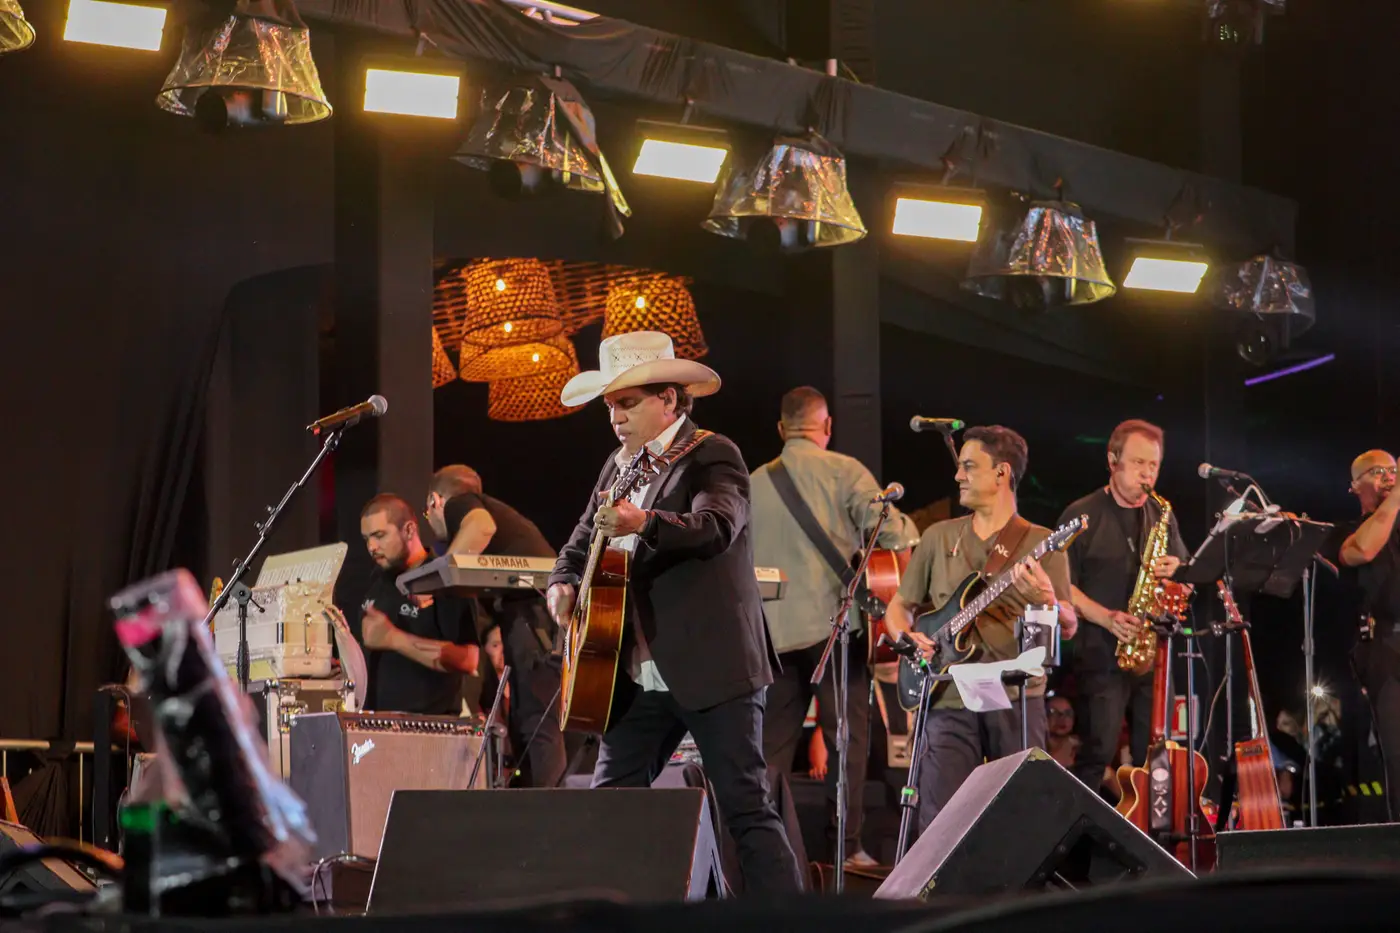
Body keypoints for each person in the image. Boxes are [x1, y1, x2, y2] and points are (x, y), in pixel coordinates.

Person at [546, 331, 802, 894]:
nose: (615, 417)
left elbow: (717, 527)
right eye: (610, 405)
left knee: (744, 807)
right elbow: (576, 545)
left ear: (669, 399)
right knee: (610, 805)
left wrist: (643, 523)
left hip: (714, 668)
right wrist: (560, 585)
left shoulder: (713, 453)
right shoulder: (617, 467)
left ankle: (790, 923)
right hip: (637, 672)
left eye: (627, 402)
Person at [750, 385, 918, 868]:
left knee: (769, 749)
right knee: (846, 742)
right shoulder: (846, 471)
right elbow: (895, 534)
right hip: (835, 631)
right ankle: (845, 849)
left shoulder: (752, 482)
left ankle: (761, 852)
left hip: (771, 636)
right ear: (826, 426)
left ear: (781, 429)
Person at [882, 425, 1076, 832]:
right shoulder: (938, 537)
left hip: (1016, 697)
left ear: (1001, 473)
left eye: (969, 467)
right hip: (947, 695)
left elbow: (1069, 624)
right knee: (941, 824)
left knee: (1024, 821)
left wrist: (1046, 598)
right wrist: (906, 637)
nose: (958, 476)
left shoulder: (1042, 542)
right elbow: (899, 606)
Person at [1056, 420, 1187, 798]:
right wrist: (1107, 618)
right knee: (1097, 752)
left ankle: (1151, 825)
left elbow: (1186, 577)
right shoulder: (1080, 515)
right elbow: (1059, 585)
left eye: (1154, 465)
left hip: (1152, 652)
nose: (1148, 474)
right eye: (1139, 463)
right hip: (1101, 651)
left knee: (1157, 755)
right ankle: (1080, 826)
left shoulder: (1161, 514)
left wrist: (1177, 570)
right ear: (1113, 461)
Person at [425, 465, 566, 788]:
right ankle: (537, 800)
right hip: (534, 611)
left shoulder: (460, 502)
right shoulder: (504, 518)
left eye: (426, 513)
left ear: (435, 501)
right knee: (527, 718)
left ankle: (546, 808)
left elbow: (481, 526)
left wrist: (447, 572)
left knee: (535, 719)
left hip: (536, 614)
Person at [355, 494, 478, 714]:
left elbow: (469, 660)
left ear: (409, 530)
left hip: (430, 726)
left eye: (379, 536)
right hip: (374, 723)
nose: (371, 547)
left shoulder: (446, 580)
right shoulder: (378, 580)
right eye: (366, 539)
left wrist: (394, 639)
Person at [1336, 449, 1400, 819]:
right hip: (1385, 650)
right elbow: (1362, 550)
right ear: (1355, 485)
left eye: (1393, 470)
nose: (1389, 477)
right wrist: (1396, 498)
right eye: (1378, 472)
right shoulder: (1347, 531)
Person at [1046, 695, 1081, 770]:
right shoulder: (1035, 747)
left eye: (1068, 713)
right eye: (1053, 712)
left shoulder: (1084, 750)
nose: (1062, 718)